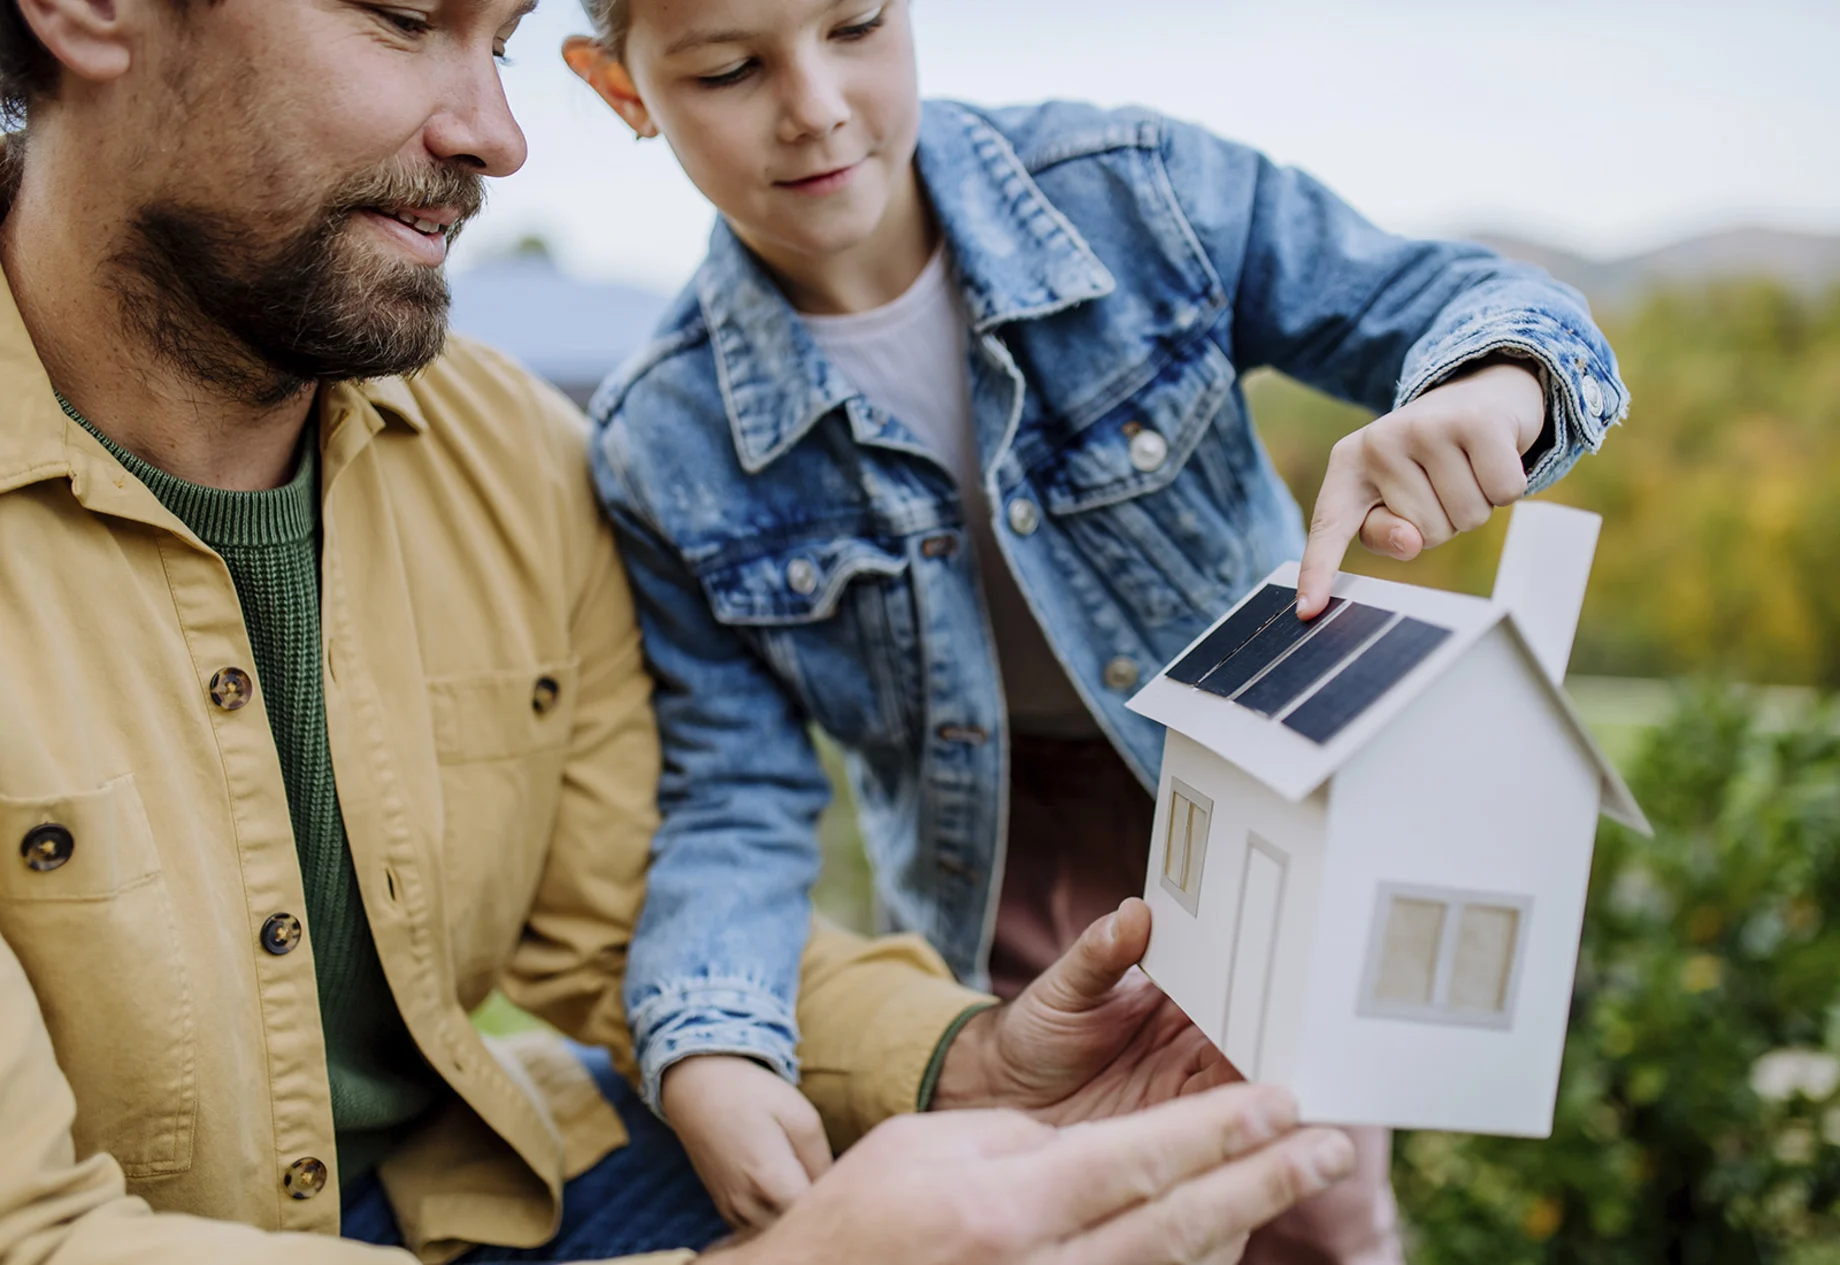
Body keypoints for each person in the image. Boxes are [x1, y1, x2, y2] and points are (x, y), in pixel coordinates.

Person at [0, 1, 1358, 1262]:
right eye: (406, 17)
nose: (498, 135)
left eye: (507, 42)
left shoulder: (519, 459)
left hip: (465, 1190)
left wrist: (970, 1059)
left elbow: (624, 913)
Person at [563, 0, 1632, 1257]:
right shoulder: (661, 440)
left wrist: (1489, 385)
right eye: (732, 68)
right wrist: (715, 1038)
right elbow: (733, 789)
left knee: (1309, 1203)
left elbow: (1455, 298)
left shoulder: (1135, 195)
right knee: (1071, 1218)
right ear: (622, 90)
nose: (814, 104)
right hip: (998, 891)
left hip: (1262, 801)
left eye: (855, 25)